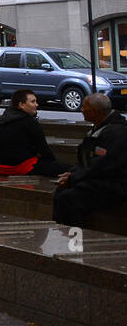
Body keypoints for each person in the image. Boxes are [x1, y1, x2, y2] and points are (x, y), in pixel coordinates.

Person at [54, 93, 127, 227]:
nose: (81, 110)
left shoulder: (116, 132)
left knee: (69, 198)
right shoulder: (97, 129)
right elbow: (86, 161)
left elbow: (102, 165)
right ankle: (63, 232)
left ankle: (76, 238)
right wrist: (72, 174)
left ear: (94, 111)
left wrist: (73, 178)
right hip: (99, 179)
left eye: (84, 107)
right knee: (61, 191)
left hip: (116, 184)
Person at [0, 88, 73, 178]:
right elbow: (43, 148)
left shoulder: (4, 118)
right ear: (21, 105)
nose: (36, 105)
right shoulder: (28, 121)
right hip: (20, 167)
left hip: (0, 167)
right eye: (33, 102)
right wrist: (53, 164)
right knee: (72, 170)